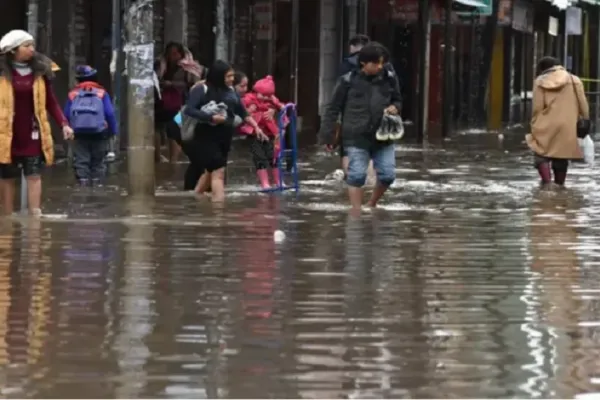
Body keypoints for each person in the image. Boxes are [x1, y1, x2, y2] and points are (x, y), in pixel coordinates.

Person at [319, 43, 402, 213]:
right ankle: (355, 212)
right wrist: (328, 135)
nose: (380, 67)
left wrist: (395, 107)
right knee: (356, 175)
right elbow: (333, 108)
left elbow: (398, 99)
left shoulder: (389, 78)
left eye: (382, 63)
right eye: (376, 63)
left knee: (388, 175)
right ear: (364, 62)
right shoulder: (347, 81)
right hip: (355, 135)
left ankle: (372, 204)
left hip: (383, 135)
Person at [0, 30, 73, 216]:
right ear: (12, 50)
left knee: (34, 174)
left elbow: (51, 102)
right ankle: (7, 218)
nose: (32, 49)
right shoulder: (2, 73)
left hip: (32, 132)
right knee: (7, 176)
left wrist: (64, 124)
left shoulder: (40, 71)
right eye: (26, 46)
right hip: (6, 133)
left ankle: (35, 216)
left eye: (32, 45)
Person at [183, 60, 262, 202]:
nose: (232, 79)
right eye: (228, 76)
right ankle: (219, 209)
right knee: (218, 172)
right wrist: (211, 118)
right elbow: (189, 109)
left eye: (232, 76)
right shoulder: (201, 89)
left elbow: (242, 111)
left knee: (210, 171)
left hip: (225, 136)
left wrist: (256, 127)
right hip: (206, 135)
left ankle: (195, 199)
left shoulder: (231, 91)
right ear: (218, 76)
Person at [526, 56, 589, 188]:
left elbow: (537, 107)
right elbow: (583, 104)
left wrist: (534, 123)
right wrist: (585, 119)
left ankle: (547, 183)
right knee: (561, 155)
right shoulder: (574, 80)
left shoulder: (539, 81)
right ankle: (560, 186)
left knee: (541, 153)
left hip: (545, 122)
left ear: (543, 68)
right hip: (567, 124)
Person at [64, 65, 118, 186]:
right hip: (100, 133)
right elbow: (110, 113)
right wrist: (113, 131)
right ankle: (97, 188)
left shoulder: (72, 94)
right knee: (98, 163)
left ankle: (83, 189)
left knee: (81, 161)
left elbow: (66, 114)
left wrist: (68, 128)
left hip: (79, 134)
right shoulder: (102, 93)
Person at [155, 42, 203, 163]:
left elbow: (194, 84)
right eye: (170, 53)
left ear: (181, 54)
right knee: (157, 128)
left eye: (176, 53)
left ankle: (174, 160)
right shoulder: (160, 64)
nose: (173, 56)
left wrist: (172, 84)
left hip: (179, 102)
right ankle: (158, 157)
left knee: (174, 129)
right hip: (161, 102)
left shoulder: (188, 67)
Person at [239, 75, 286, 189]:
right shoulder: (248, 99)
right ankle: (265, 183)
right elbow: (240, 110)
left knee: (274, 156)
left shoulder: (271, 100)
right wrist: (249, 110)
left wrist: (275, 109)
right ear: (256, 91)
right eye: (263, 95)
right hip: (255, 134)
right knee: (259, 157)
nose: (266, 98)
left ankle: (278, 181)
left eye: (268, 95)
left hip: (270, 134)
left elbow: (282, 107)